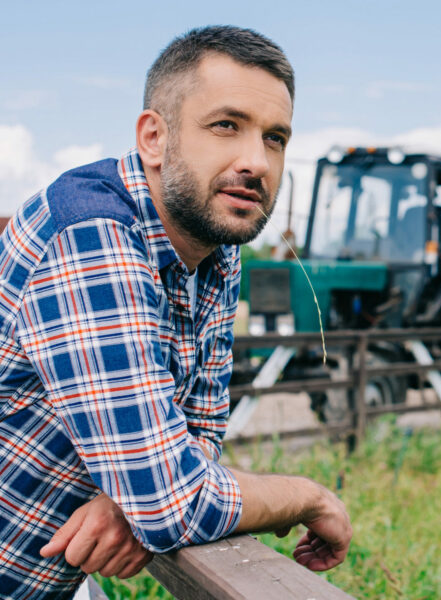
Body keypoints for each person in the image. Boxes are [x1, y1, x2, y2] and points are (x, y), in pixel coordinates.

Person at [0, 26, 352, 598]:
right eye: (225, 126)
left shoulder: (215, 247)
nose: (256, 161)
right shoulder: (93, 236)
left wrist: (130, 499)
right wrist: (309, 496)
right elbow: (171, 500)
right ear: (154, 137)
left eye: (276, 138)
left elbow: (200, 434)